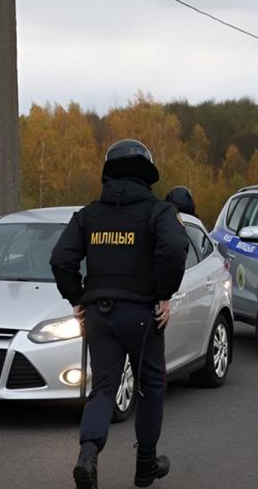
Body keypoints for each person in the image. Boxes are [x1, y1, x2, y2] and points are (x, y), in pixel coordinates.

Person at [50, 138, 189, 489]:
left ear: (108, 172)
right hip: (143, 313)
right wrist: (164, 294)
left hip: (99, 313)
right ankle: (145, 465)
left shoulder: (89, 214)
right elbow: (174, 248)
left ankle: (88, 454)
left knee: (105, 387)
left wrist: (78, 297)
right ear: (147, 173)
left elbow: (60, 259)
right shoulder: (159, 212)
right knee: (150, 387)